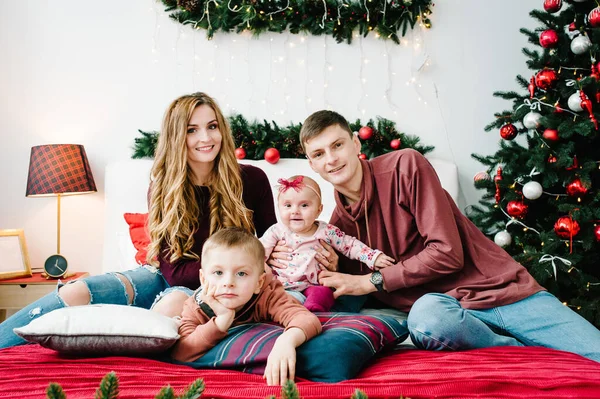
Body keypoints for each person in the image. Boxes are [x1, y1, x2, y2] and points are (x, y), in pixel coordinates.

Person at [268, 110, 600, 363]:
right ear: (311, 164)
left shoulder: (404, 166)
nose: (331, 159)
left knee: (594, 354)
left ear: (356, 144)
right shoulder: (337, 229)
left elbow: (447, 253)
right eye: (319, 154)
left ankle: (531, 347)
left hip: (502, 293)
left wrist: (371, 281)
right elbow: (338, 293)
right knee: (426, 317)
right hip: (444, 316)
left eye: (338, 145)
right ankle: (522, 355)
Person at [0, 92, 286, 348]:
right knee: (76, 290)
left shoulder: (252, 180)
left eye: (212, 127)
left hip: (217, 285)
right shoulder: (163, 187)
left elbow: (270, 245)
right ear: (177, 137)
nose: (206, 138)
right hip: (161, 274)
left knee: (172, 304)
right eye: (192, 130)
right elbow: (171, 270)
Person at [172, 228, 321, 386]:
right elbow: (181, 352)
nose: (228, 282)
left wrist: (286, 342)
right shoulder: (196, 305)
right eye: (218, 272)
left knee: (298, 297)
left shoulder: (268, 295)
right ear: (203, 279)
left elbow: (306, 319)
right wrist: (221, 321)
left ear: (258, 283)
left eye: (241, 274)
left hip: (284, 291)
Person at [260, 175, 394, 312]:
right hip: (283, 285)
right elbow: (259, 254)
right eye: (288, 205)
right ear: (279, 208)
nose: (295, 211)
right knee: (277, 297)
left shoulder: (326, 231)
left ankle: (314, 311)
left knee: (326, 294)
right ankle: (296, 310)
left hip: (315, 284)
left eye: (304, 205)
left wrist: (372, 257)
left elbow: (350, 245)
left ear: (319, 210)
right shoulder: (276, 231)